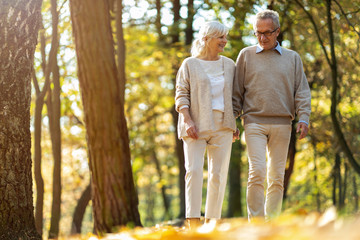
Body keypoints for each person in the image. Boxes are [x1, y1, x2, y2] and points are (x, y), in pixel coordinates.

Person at [232, 9, 311, 221]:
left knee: (276, 178)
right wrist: (232, 120)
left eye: (267, 32)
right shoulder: (245, 55)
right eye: (258, 32)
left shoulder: (293, 58)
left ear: (277, 31)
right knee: (256, 172)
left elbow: (302, 91)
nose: (262, 37)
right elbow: (236, 92)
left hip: (283, 124)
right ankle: (256, 224)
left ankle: (272, 223)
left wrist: (303, 118)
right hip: (254, 122)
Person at [175, 21, 237, 228]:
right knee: (193, 171)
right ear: (206, 39)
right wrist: (187, 120)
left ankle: (212, 224)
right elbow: (181, 94)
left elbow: (235, 97)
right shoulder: (190, 64)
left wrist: (233, 121)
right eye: (220, 37)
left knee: (218, 174)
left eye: (225, 37)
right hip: (195, 125)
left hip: (223, 126)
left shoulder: (230, 65)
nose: (224, 41)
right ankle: (193, 223)